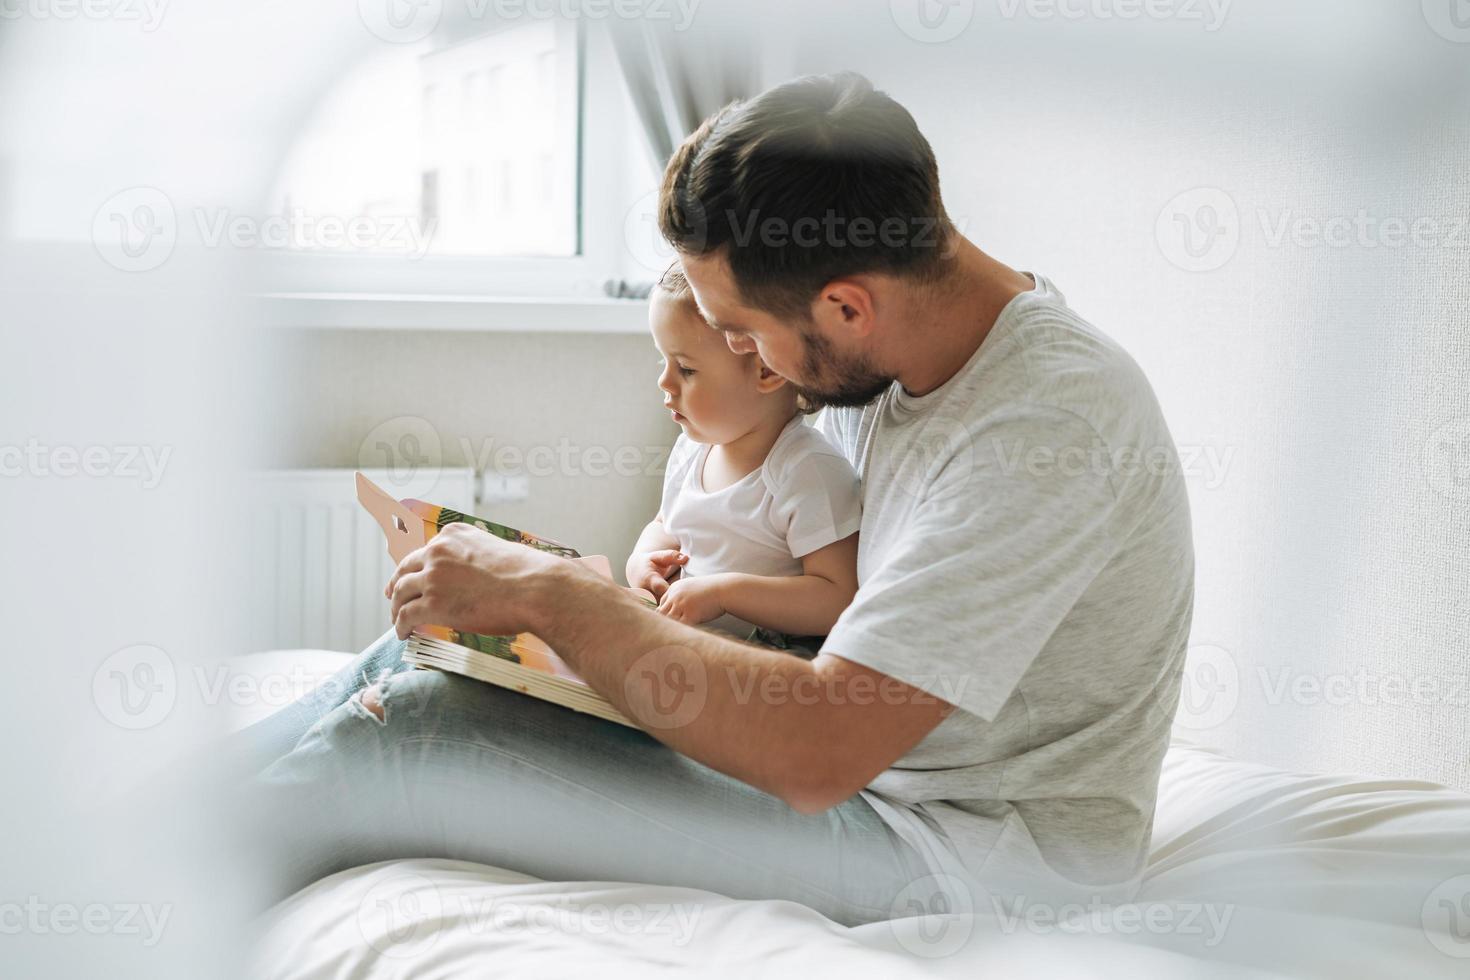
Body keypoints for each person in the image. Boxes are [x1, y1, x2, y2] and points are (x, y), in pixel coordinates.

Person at [217, 70, 1193, 928]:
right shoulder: (887, 361)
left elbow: (822, 747)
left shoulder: (1046, 432)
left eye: (744, 333)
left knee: (420, 728)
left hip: (950, 853)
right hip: (863, 780)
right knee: (421, 656)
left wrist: (563, 599)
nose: (748, 362)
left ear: (846, 304)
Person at [631, 264, 861, 651]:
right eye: (663, 362)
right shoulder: (692, 448)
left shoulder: (807, 472)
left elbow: (838, 598)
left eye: (685, 368)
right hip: (689, 647)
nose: (664, 382)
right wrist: (644, 557)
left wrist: (725, 593)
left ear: (767, 371)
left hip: (769, 664)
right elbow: (666, 523)